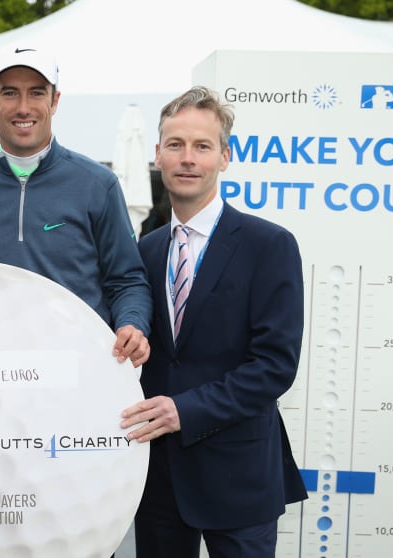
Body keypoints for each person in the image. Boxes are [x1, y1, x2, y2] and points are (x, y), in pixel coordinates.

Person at [120, 86, 308, 557]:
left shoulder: (270, 245)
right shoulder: (144, 250)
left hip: (240, 478)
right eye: (176, 145)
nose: (188, 158)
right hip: (159, 482)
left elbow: (274, 366)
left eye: (202, 146)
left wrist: (185, 411)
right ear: (157, 154)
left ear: (225, 157)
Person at [0, 45, 151, 368]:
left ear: (55, 101)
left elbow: (127, 279)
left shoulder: (98, 183)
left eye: (36, 93)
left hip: (78, 367)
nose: (24, 108)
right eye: (10, 93)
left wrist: (131, 324)